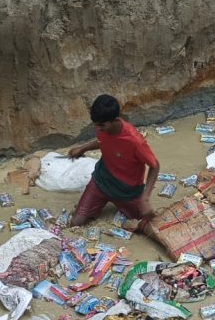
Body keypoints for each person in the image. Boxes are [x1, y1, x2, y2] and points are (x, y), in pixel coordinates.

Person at [68, 94, 160, 228]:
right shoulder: (102, 127)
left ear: (115, 120)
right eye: (96, 124)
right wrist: (83, 148)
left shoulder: (134, 141)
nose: (98, 129)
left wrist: (145, 198)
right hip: (101, 181)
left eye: (102, 125)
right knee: (76, 223)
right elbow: (103, 141)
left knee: (147, 222)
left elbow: (155, 165)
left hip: (127, 191)